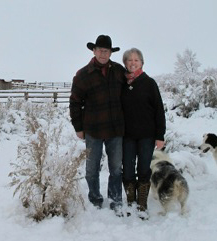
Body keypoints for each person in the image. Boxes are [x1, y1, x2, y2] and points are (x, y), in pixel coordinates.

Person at [69, 35, 125, 214]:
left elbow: (129, 95)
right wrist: (78, 127)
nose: (103, 53)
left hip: (115, 129)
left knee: (116, 167)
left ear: (110, 52)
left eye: (106, 51)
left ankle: (115, 200)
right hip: (93, 129)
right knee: (92, 167)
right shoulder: (83, 74)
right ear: (94, 51)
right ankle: (95, 199)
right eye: (100, 50)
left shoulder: (118, 71)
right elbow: (75, 102)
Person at [121, 48, 166, 217]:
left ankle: (142, 203)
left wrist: (160, 135)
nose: (133, 63)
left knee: (144, 169)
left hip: (147, 135)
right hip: (127, 136)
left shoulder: (149, 83)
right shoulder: (122, 84)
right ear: (125, 63)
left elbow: (159, 110)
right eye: (129, 60)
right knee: (127, 170)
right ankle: (130, 201)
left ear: (142, 63)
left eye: (136, 60)